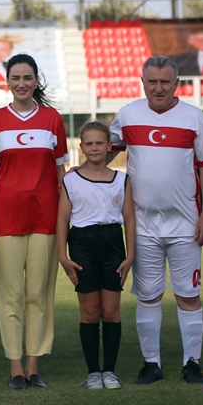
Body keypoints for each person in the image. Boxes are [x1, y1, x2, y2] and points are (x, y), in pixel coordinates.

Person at [109, 56, 203, 385]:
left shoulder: (194, 118)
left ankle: (191, 362)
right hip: (142, 227)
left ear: (176, 84)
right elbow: (104, 153)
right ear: (142, 82)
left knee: (188, 295)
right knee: (149, 295)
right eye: (152, 81)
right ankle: (151, 363)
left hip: (186, 225)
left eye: (165, 82)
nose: (158, 88)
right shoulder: (127, 115)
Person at [0, 53, 69, 389]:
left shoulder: (52, 120)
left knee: (39, 293)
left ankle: (34, 365)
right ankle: (15, 366)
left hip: (45, 218)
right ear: (8, 81)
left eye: (28, 78)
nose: (22, 84)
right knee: (10, 294)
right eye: (16, 78)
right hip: (4, 218)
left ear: (36, 81)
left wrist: (64, 217)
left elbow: (61, 172)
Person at [57, 121, 134, 389]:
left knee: (111, 311)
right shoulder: (70, 179)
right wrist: (62, 257)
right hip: (82, 244)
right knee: (90, 311)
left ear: (109, 146)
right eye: (88, 143)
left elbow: (130, 219)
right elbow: (62, 220)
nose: (94, 148)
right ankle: (93, 372)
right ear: (81, 147)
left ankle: (109, 371)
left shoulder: (121, 179)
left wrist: (130, 255)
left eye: (99, 143)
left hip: (112, 243)